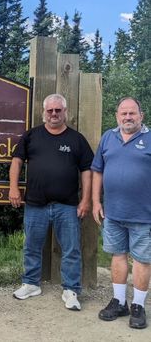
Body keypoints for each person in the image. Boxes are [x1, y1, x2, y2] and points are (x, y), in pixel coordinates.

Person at [9, 93, 94, 311]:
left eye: (58, 110)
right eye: (50, 110)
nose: (54, 114)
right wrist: (13, 188)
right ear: (43, 112)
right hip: (35, 204)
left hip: (67, 205)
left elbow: (87, 171)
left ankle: (71, 289)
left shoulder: (77, 140)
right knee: (31, 247)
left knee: (71, 249)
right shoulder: (31, 136)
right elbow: (17, 161)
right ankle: (30, 283)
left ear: (65, 112)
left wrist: (85, 200)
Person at [92, 97, 150, 330]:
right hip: (113, 213)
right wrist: (96, 201)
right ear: (117, 116)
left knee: (142, 260)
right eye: (123, 113)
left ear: (141, 115)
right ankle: (119, 302)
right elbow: (97, 171)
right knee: (117, 256)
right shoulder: (108, 137)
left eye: (132, 113)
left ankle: (138, 305)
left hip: (144, 215)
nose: (128, 117)